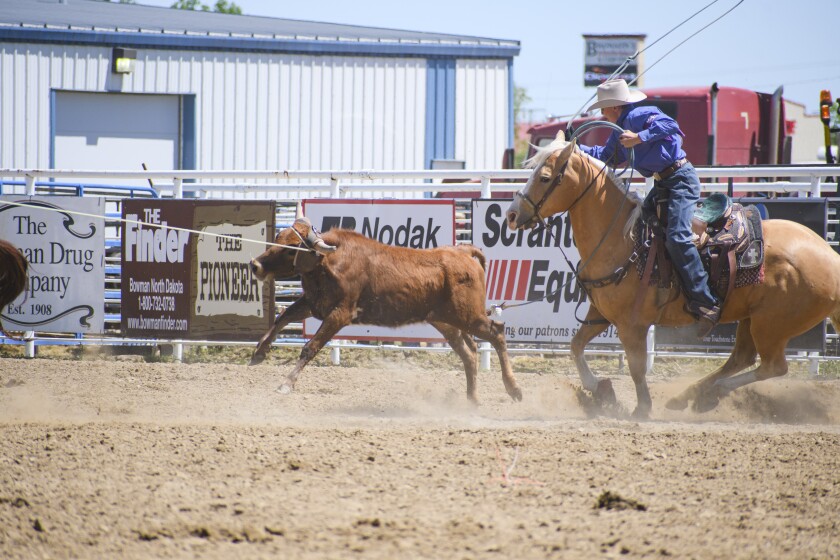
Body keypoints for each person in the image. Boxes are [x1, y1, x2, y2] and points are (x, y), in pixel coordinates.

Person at [577, 79, 720, 336]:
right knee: (640, 229)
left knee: (677, 236)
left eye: (603, 108)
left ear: (614, 107)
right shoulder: (619, 128)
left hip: (679, 181)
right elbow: (607, 155)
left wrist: (639, 137)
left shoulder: (640, 114)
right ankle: (660, 292)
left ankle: (706, 302)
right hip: (664, 184)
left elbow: (671, 126)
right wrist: (575, 146)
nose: (601, 114)